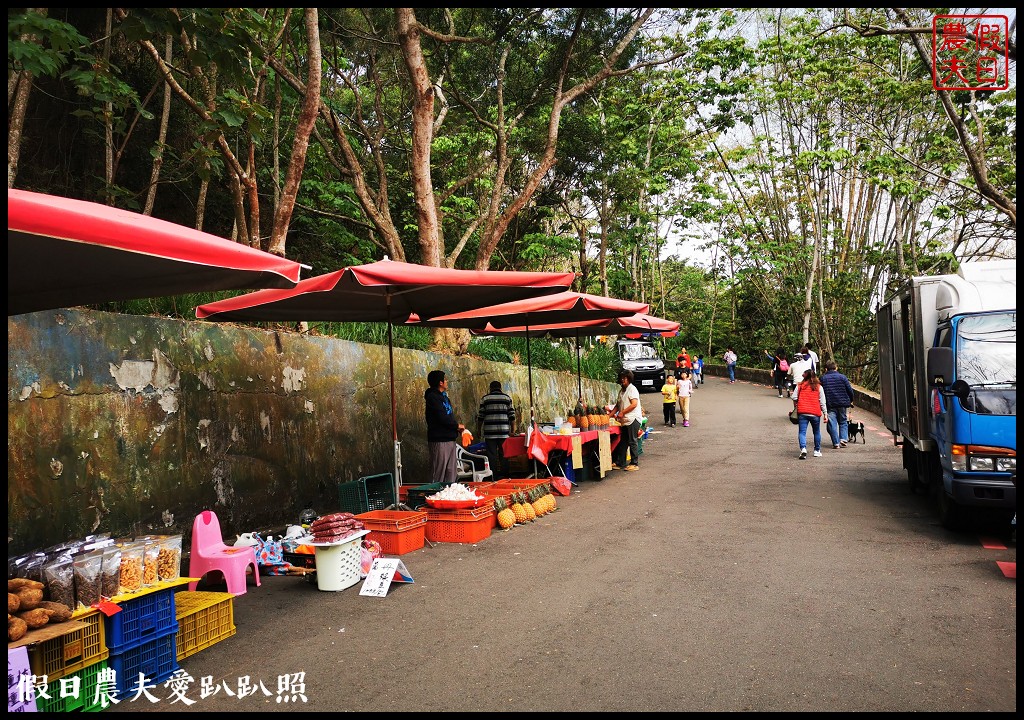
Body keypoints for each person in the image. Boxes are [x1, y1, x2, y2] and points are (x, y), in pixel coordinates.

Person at [424, 369, 460, 484]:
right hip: (439, 440)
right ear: (440, 382)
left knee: (451, 472)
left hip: (450, 438)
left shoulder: (445, 398)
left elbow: (449, 416)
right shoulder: (432, 398)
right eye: (445, 379)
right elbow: (441, 417)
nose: (446, 381)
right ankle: (434, 495)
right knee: (438, 473)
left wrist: (457, 428)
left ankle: (449, 496)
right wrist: (456, 425)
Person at [476, 380, 516, 479]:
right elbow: (512, 416)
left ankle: (492, 476)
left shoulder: (485, 399)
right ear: (500, 388)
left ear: (490, 388)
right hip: (504, 432)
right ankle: (505, 475)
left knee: (491, 455)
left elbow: (481, 416)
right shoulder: (507, 398)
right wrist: (513, 430)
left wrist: (478, 430)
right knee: (504, 454)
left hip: (490, 432)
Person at [792, 368, 828, 459]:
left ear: (805, 376)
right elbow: (822, 402)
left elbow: (794, 397)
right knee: (816, 432)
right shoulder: (819, 387)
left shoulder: (800, 386)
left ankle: (803, 449)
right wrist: (825, 414)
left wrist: (796, 406)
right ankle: (817, 450)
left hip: (803, 412)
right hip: (815, 412)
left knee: (802, 432)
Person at [611, 369, 643, 471]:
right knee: (623, 441)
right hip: (625, 421)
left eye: (624, 378)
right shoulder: (622, 391)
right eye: (621, 378)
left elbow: (634, 404)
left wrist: (622, 412)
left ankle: (634, 463)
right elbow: (617, 405)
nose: (622, 380)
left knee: (632, 441)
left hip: (633, 419)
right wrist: (609, 416)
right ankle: (621, 463)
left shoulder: (632, 389)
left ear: (629, 379)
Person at [820, 360, 855, 449]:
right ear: (836, 368)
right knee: (843, 421)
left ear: (826, 369)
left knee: (832, 423)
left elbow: (820, 392)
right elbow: (849, 390)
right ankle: (843, 439)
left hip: (830, 404)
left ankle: (836, 443)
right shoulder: (842, 377)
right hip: (842, 403)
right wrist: (851, 400)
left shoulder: (823, 378)